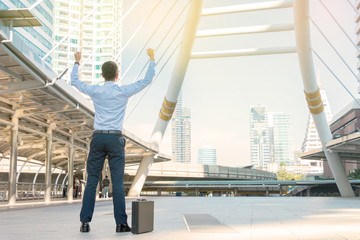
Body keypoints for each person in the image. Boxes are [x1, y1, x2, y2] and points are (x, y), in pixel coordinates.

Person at [71, 48, 155, 233]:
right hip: (116, 139)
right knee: (117, 182)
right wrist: (152, 59)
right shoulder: (123, 91)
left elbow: (75, 81)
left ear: (102, 75)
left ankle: (85, 223)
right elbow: (146, 80)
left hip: (98, 137)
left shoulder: (95, 91)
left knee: (92, 181)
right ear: (117, 75)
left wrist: (77, 62)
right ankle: (121, 223)